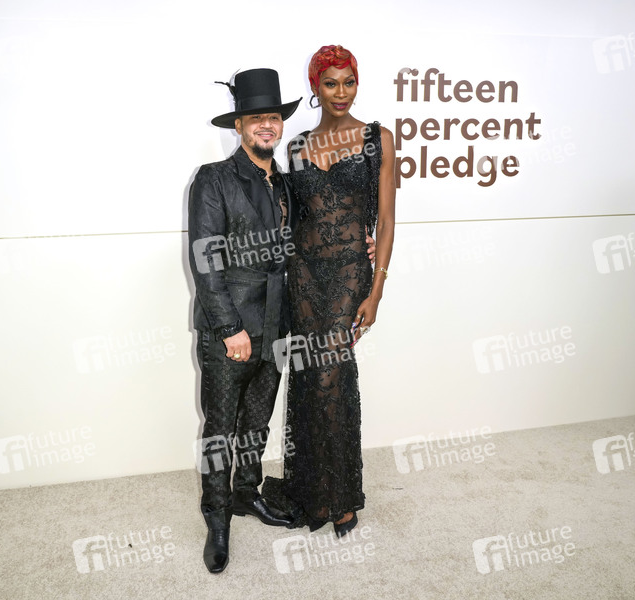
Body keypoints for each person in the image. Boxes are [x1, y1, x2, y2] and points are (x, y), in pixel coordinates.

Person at [266, 45, 395, 538]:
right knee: (309, 377)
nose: (341, 92)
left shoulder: (378, 139)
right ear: (315, 88)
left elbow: (386, 222)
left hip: (349, 275)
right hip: (303, 274)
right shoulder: (297, 147)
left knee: (331, 376)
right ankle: (312, 491)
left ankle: (340, 496)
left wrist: (376, 290)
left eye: (349, 81)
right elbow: (295, 215)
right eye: (331, 83)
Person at [188, 68, 302, 574]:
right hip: (229, 330)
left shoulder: (287, 183)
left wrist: (361, 243)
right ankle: (216, 519)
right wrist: (229, 328)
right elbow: (206, 259)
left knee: (257, 422)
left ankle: (245, 493)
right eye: (256, 118)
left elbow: (303, 244)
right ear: (239, 125)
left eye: (273, 117)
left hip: (276, 326)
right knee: (220, 430)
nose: (266, 125)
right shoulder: (213, 179)